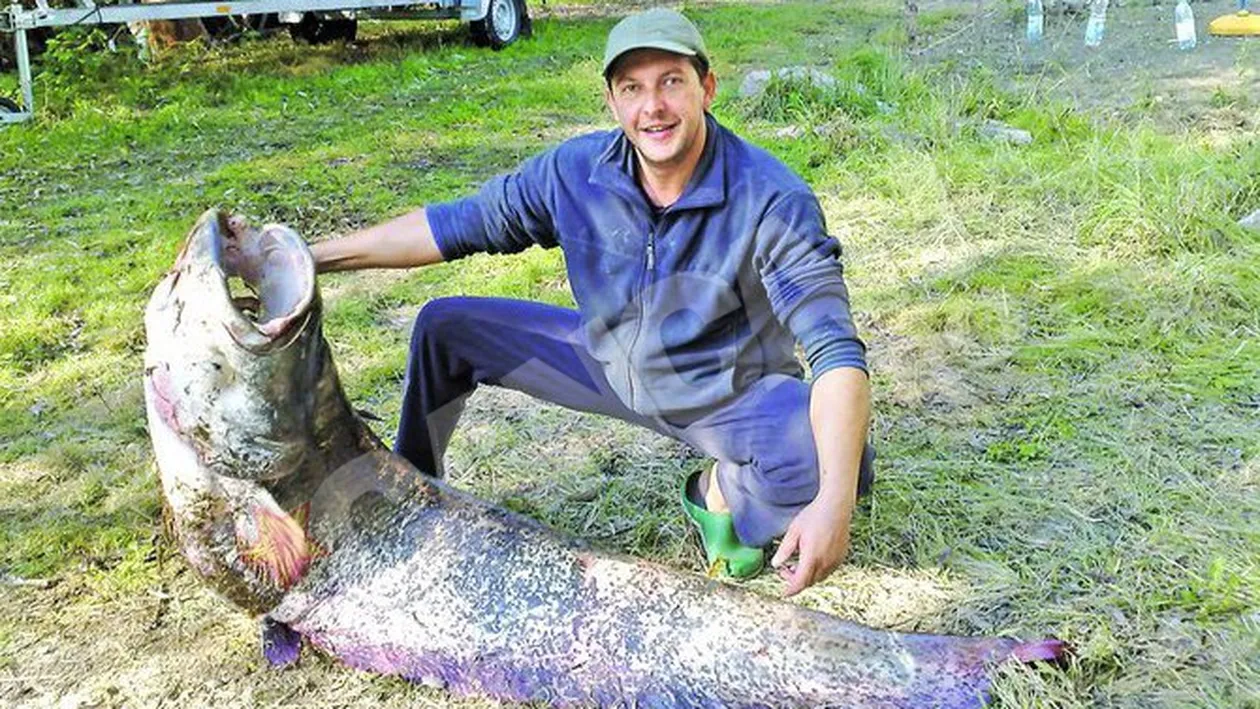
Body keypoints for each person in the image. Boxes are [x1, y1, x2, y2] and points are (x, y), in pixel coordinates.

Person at [310, 8, 874, 597]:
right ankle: (413, 496)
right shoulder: (574, 173)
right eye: (632, 88)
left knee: (834, 463)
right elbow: (454, 225)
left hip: (724, 391)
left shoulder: (771, 199)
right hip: (603, 362)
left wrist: (834, 503)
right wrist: (311, 257)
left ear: (707, 89)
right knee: (443, 327)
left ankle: (720, 495)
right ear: (612, 101)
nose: (651, 106)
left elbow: (836, 352)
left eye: (671, 82)